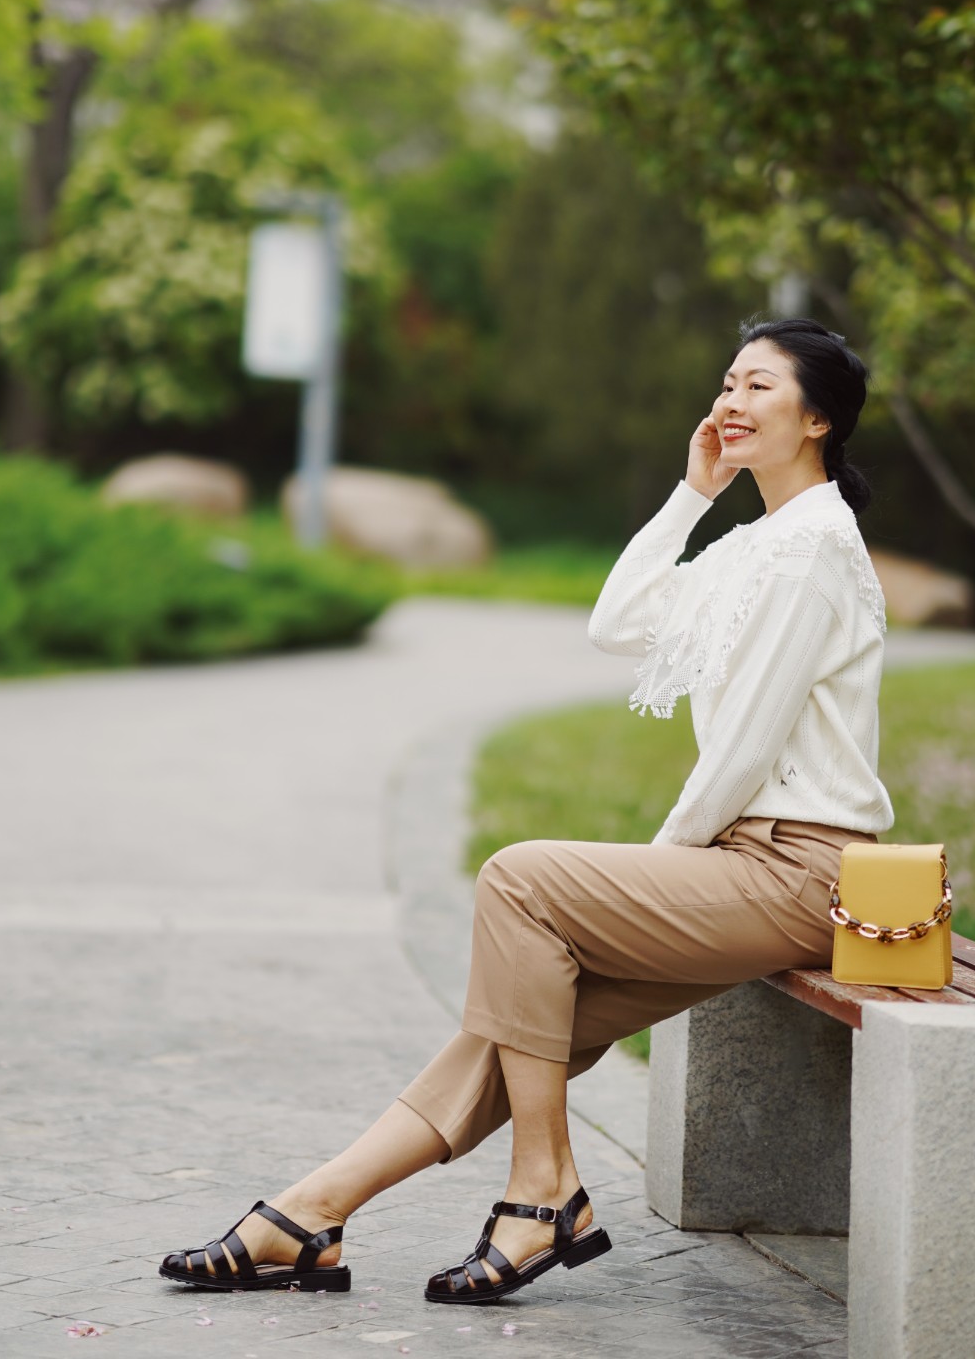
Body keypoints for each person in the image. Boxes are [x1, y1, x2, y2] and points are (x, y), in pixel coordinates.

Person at [159, 315, 894, 1304]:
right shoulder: (756, 542)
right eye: (726, 381)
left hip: (804, 873)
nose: (729, 401)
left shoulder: (809, 554)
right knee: (512, 1031)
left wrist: (658, 872)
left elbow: (747, 747)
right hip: (753, 869)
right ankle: (309, 1212)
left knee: (523, 881)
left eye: (757, 386)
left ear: (816, 419)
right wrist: (692, 495)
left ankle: (540, 1191)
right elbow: (616, 622)